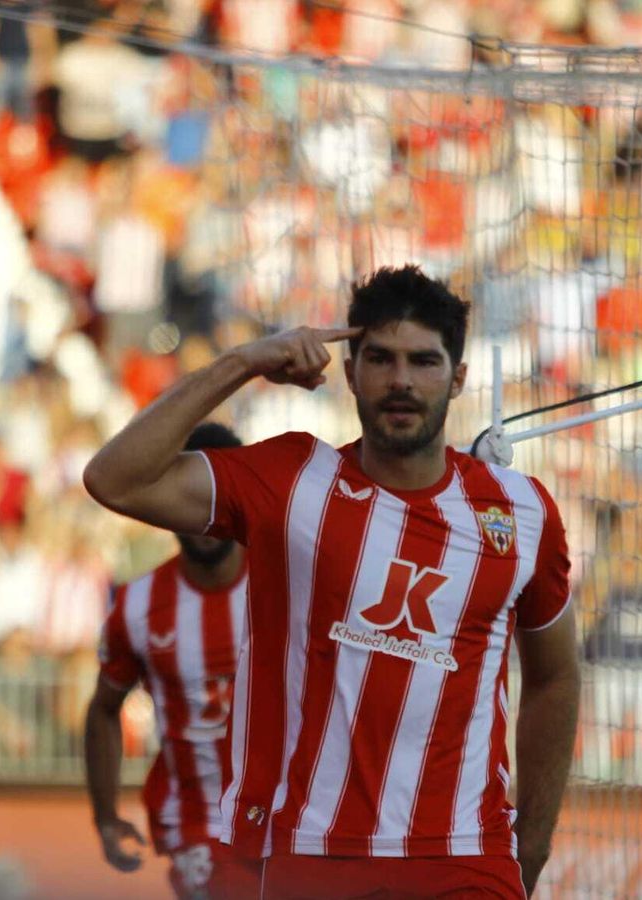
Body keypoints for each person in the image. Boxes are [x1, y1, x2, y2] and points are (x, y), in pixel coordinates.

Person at [84, 265, 580, 898]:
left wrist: (529, 845)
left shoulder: (520, 511)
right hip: (308, 857)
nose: (401, 381)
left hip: (464, 857)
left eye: (424, 362)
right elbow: (114, 479)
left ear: (458, 378)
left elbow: (556, 674)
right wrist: (241, 363)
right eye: (380, 358)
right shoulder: (292, 479)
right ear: (349, 372)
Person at [83, 422, 262, 899]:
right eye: (188, 500)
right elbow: (103, 708)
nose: (202, 520)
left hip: (291, 819)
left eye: (214, 500)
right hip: (195, 822)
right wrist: (104, 816)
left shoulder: (288, 582)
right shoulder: (139, 606)